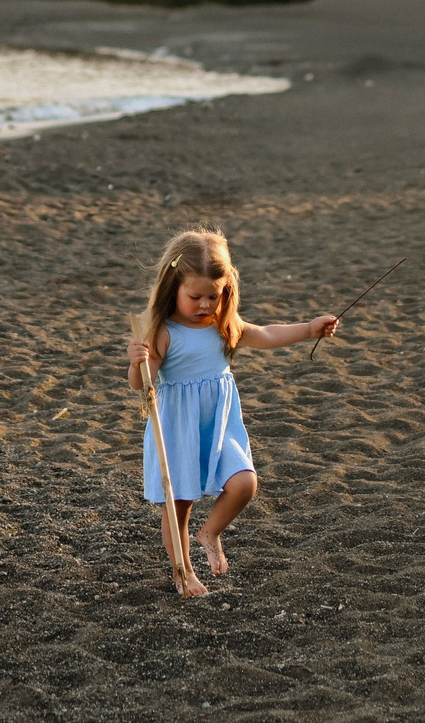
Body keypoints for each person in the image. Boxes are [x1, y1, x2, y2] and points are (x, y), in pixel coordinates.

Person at [125, 229, 337, 596]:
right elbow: (141, 384)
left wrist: (309, 329)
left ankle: (211, 533)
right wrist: (136, 365)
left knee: (245, 483)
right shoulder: (163, 332)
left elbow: (268, 334)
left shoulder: (224, 325)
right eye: (195, 296)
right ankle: (184, 572)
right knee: (180, 505)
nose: (205, 304)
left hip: (220, 424)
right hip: (180, 426)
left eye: (214, 295)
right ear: (173, 287)